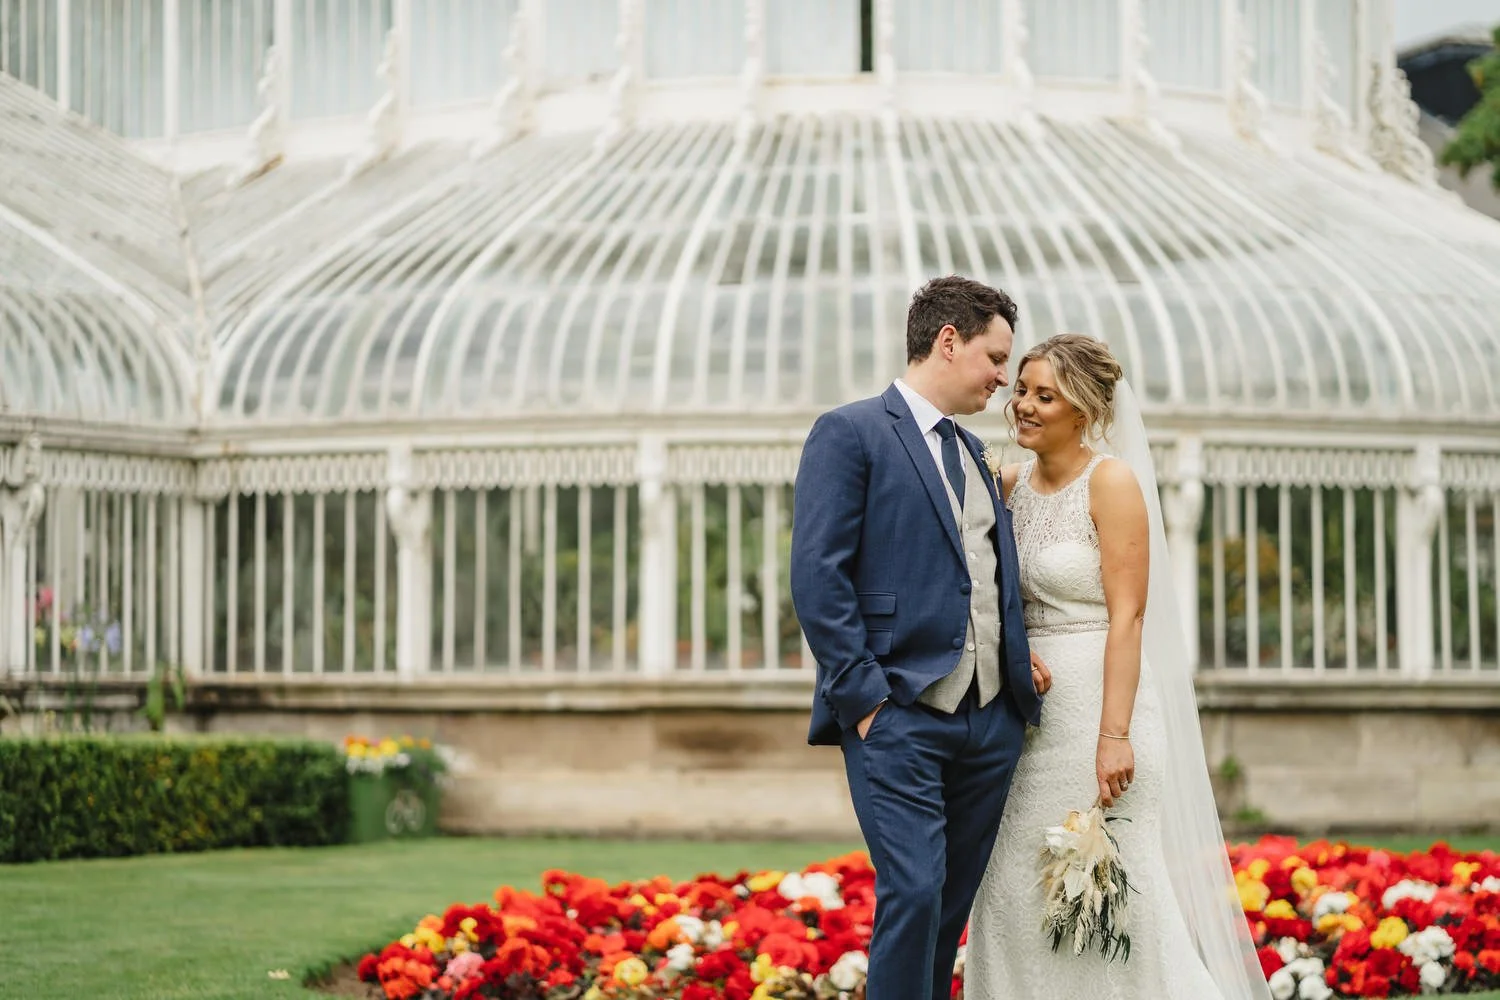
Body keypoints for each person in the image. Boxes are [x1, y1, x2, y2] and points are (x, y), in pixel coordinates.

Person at [963, 333, 1270, 1000]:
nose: (1025, 405)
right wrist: (1015, 651)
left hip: (1102, 713)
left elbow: (1128, 616)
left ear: (1086, 410)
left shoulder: (1112, 483)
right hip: (1026, 722)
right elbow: (978, 592)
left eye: (1046, 395)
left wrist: (1113, 734)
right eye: (1022, 389)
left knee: (1110, 897)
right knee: (1014, 892)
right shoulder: (1003, 485)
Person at [790, 275, 1050, 1000]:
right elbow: (818, 577)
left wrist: (1016, 673)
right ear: (947, 340)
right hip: (897, 713)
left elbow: (984, 575)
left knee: (946, 908)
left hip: (989, 722)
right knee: (912, 891)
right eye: (996, 357)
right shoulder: (851, 432)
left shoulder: (972, 451)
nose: (1005, 377)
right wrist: (867, 701)